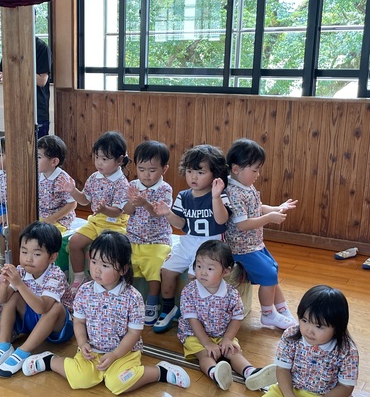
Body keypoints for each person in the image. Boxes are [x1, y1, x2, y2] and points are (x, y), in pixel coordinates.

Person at [21, 231, 191, 395]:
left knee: (117, 382)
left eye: (105, 265)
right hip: (93, 350)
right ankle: (50, 361)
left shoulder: (133, 297)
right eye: (94, 262)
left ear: (123, 269)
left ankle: (160, 372)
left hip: (124, 353)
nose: (97, 270)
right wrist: (82, 343)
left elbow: (134, 333)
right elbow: (79, 322)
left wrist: (116, 355)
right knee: (80, 379)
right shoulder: (84, 291)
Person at [201, 286, 359, 397]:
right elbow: (282, 370)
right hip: (291, 390)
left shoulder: (347, 350)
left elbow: (346, 387)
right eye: (304, 320)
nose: (309, 330)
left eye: (319, 326)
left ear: (338, 327)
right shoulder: (291, 336)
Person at [177, 240, 277, 391]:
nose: (202, 272)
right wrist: (207, 343)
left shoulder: (231, 293)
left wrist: (227, 339)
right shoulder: (189, 291)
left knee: (233, 351)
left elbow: (237, 318)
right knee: (205, 355)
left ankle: (250, 372)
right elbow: (192, 320)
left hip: (222, 333)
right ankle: (215, 374)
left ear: (226, 272)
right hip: (195, 335)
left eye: (210, 268)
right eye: (198, 266)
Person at [152, 144, 231, 333]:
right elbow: (180, 224)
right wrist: (168, 213)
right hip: (187, 242)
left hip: (211, 245)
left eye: (200, 172)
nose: (193, 177)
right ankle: (169, 309)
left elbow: (222, 220)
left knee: (194, 277)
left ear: (214, 174)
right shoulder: (183, 196)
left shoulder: (219, 195)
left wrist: (215, 197)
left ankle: (196, 312)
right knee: (167, 271)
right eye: (189, 171)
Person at [0, 221, 74, 378]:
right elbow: (1, 299)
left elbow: (42, 308)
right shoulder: (21, 271)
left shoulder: (55, 275)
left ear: (52, 257)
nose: (28, 259)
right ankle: (4, 346)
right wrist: (4, 285)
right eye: (24, 252)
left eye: (37, 254)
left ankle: (23, 351)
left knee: (55, 307)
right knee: (12, 296)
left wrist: (19, 284)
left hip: (59, 328)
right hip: (33, 322)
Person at [225, 138, 298, 330]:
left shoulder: (245, 186)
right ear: (236, 169)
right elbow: (242, 224)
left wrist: (276, 208)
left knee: (273, 270)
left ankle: (282, 309)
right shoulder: (233, 192)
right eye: (255, 170)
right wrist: (269, 218)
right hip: (241, 248)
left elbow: (257, 207)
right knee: (268, 274)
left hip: (254, 244)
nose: (258, 174)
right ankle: (268, 314)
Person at [58, 131, 130, 297]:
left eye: (105, 159)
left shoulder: (121, 182)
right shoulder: (94, 177)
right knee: (74, 242)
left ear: (119, 160)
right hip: (96, 221)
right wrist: (73, 190)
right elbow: (84, 200)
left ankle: (114, 282)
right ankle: (79, 277)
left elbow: (118, 212)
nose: (99, 162)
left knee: (109, 248)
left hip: (115, 224)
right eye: (97, 157)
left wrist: (104, 209)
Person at [122, 141, 173, 325]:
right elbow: (127, 211)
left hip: (157, 239)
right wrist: (132, 202)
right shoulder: (133, 185)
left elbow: (157, 213)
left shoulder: (165, 189)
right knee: (124, 264)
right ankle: (126, 301)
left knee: (155, 267)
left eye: (152, 170)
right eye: (141, 169)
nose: (146, 174)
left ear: (164, 169)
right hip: (133, 237)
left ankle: (152, 302)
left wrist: (144, 203)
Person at [0, 36, 52, 138]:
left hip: (37, 110)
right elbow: (2, 75)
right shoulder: (12, 47)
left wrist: (17, 72)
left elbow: (42, 80)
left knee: (39, 146)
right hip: (15, 106)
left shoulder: (41, 47)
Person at [37, 135, 77, 233]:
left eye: (39, 157)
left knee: (48, 234)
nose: (34, 160)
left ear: (54, 161)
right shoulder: (37, 175)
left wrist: (53, 218)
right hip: (41, 215)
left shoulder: (62, 180)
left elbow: (72, 204)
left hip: (60, 219)